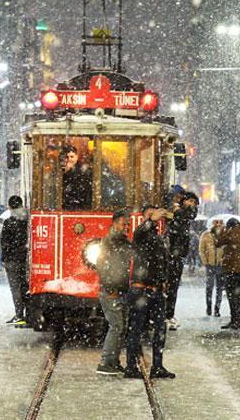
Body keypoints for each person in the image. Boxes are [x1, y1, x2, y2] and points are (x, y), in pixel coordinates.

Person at [124, 205, 175, 379]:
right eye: (151, 214)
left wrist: (164, 281)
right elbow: (138, 232)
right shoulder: (142, 234)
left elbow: (163, 261)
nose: (156, 217)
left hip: (156, 290)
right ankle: (131, 366)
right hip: (141, 290)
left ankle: (158, 366)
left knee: (160, 329)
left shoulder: (157, 236)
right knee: (136, 329)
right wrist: (150, 220)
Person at [95, 211, 132, 375]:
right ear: (114, 224)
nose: (126, 227)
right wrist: (110, 288)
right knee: (117, 326)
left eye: (127, 224)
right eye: (123, 224)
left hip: (120, 289)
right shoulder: (110, 242)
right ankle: (106, 362)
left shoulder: (121, 241)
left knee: (121, 326)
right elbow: (103, 265)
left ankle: (114, 361)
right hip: (112, 291)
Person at [165, 191, 199, 330]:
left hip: (177, 254)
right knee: (170, 286)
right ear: (184, 201)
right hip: (171, 254)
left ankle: (168, 315)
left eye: (195, 203)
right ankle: (166, 315)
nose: (193, 205)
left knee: (173, 287)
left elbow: (190, 214)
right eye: (191, 202)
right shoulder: (177, 212)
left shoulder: (182, 213)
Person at [216, 218, 240, 330]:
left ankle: (234, 320)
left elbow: (218, 242)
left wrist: (221, 230)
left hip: (231, 269)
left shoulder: (230, 232)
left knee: (232, 297)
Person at [1, 196, 29, 326]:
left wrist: (4, 258)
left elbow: (5, 244)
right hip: (25, 259)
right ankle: (28, 313)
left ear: (10, 207)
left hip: (12, 260)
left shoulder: (9, 222)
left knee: (15, 288)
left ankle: (19, 314)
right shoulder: (27, 220)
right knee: (24, 286)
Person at [200, 219, 224, 317]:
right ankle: (209, 307)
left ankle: (217, 308)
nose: (218, 224)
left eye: (220, 223)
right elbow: (201, 249)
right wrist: (205, 262)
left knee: (219, 288)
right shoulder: (206, 234)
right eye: (216, 222)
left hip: (220, 265)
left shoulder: (224, 235)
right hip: (210, 264)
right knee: (209, 287)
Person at [62, 145, 93, 210]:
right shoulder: (59, 171)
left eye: (72, 157)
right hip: (64, 207)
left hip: (77, 208)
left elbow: (81, 191)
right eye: (67, 157)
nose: (69, 159)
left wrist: (68, 173)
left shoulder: (83, 171)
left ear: (77, 157)